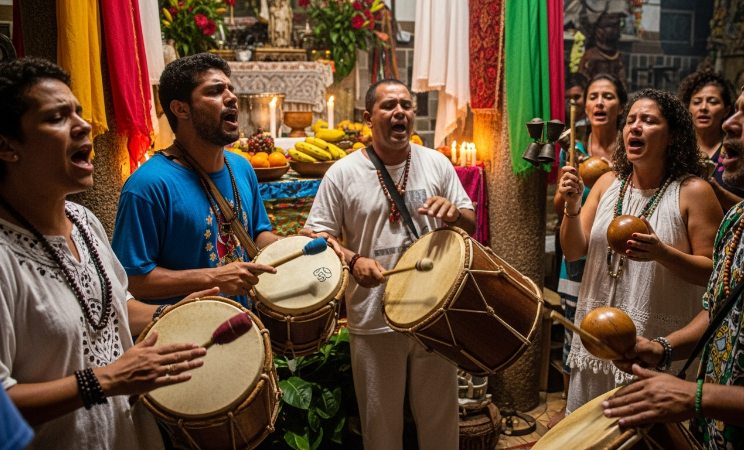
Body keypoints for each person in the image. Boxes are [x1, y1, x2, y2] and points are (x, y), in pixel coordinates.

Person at [0, 58, 210, 449]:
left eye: (79, 111)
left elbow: (113, 307)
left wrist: (174, 313)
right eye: (57, 118)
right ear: (7, 146)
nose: (83, 126)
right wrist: (109, 380)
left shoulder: (83, 220)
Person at [601, 48, 744, 450]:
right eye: (737, 110)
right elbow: (718, 308)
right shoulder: (739, 220)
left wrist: (696, 397)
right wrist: (663, 348)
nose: (729, 123)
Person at [301, 79, 476, 450]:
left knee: (441, 424)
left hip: (435, 313)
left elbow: (469, 221)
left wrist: (454, 214)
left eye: (407, 105)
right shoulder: (343, 172)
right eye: (388, 106)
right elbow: (313, 235)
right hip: (374, 316)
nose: (400, 111)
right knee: (380, 429)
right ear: (368, 117)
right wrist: (353, 260)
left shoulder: (436, 163)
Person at [558, 88, 723, 416]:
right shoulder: (607, 183)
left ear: (673, 135)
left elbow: (714, 274)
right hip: (600, 332)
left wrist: (662, 253)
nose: (635, 127)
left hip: (656, 338)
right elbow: (574, 250)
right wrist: (572, 207)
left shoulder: (694, 192)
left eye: (648, 121)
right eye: (630, 120)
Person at [112, 53, 280, 310]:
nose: (231, 97)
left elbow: (257, 234)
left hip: (244, 331)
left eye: (230, 89)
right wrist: (213, 278)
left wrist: (291, 247)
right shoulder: (148, 185)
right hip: (185, 339)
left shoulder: (241, 167)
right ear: (181, 109)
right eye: (215, 91)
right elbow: (131, 280)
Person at [548, 73, 628, 428]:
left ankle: (609, 409)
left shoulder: (631, 147)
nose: (598, 103)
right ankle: (570, 410)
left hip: (619, 251)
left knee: (612, 325)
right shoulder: (574, 147)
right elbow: (557, 202)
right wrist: (571, 191)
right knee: (575, 327)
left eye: (608, 96)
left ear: (620, 106)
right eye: (593, 96)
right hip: (579, 242)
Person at [677, 69, 744, 211]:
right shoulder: (677, 149)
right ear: (687, 108)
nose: (703, 108)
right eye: (696, 102)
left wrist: (719, 194)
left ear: (726, 110)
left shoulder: (738, 149)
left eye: (712, 102)